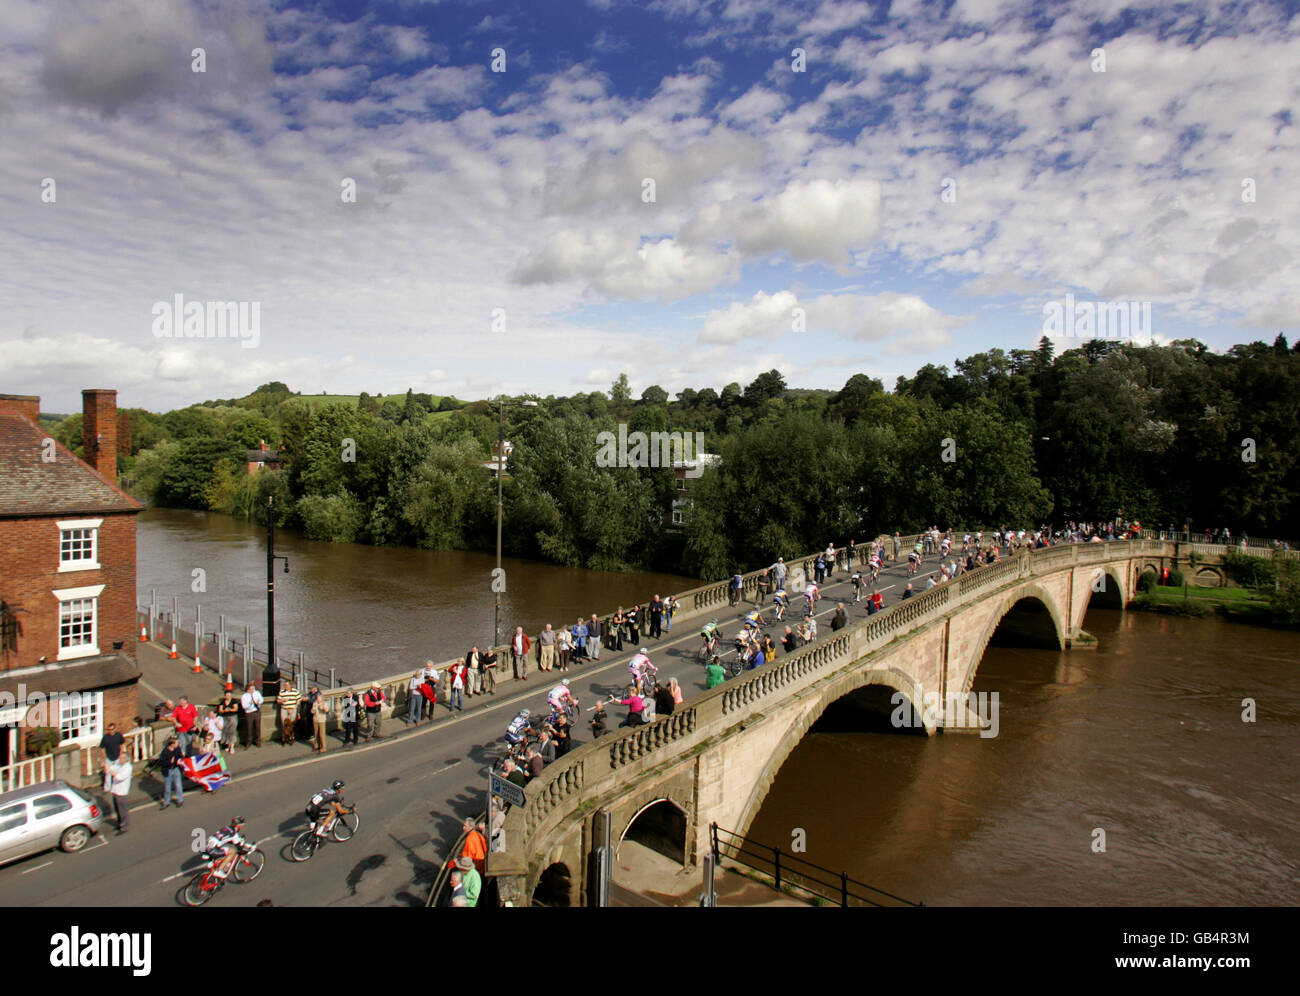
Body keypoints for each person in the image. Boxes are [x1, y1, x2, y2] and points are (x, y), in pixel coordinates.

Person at [106, 751, 132, 833]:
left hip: (122, 792)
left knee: (122, 810)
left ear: (125, 759)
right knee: (117, 809)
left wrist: (111, 771)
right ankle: (120, 823)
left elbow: (119, 777)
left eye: (120, 758)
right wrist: (108, 768)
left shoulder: (128, 767)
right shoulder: (120, 765)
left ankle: (125, 826)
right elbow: (113, 768)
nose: (119, 759)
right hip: (116, 791)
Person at [158, 734, 184, 810]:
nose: (178, 744)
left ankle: (180, 799)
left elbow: (180, 757)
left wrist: (179, 760)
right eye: (176, 743)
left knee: (178, 785)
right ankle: (166, 802)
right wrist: (170, 762)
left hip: (176, 769)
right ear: (172, 744)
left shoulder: (177, 749)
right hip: (168, 770)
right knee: (167, 787)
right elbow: (162, 762)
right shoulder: (165, 752)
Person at [240, 682, 263, 749]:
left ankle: (258, 741)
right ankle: (248, 742)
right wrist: (250, 704)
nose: (253, 690)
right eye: (251, 689)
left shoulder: (257, 693)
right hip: (249, 712)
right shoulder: (244, 696)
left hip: (257, 711)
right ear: (248, 690)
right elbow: (244, 706)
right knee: (249, 728)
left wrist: (259, 701)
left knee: (257, 727)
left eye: (253, 688)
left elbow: (261, 699)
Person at [311, 688, 329, 753]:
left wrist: (323, 708)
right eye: (317, 698)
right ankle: (316, 745)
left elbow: (327, 710)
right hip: (315, 719)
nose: (318, 699)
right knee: (316, 734)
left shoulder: (324, 703)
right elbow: (312, 711)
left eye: (319, 698)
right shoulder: (315, 703)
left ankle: (323, 747)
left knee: (322, 734)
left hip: (321, 720)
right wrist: (314, 710)